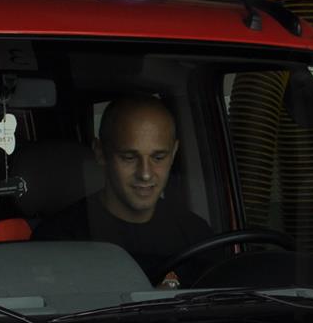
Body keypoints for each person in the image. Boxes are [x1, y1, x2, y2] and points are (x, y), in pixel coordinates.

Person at [34, 95, 211, 281]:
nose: (145, 174)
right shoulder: (56, 241)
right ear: (100, 152)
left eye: (158, 158)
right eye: (129, 158)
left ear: (173, 153)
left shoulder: (197, 235)